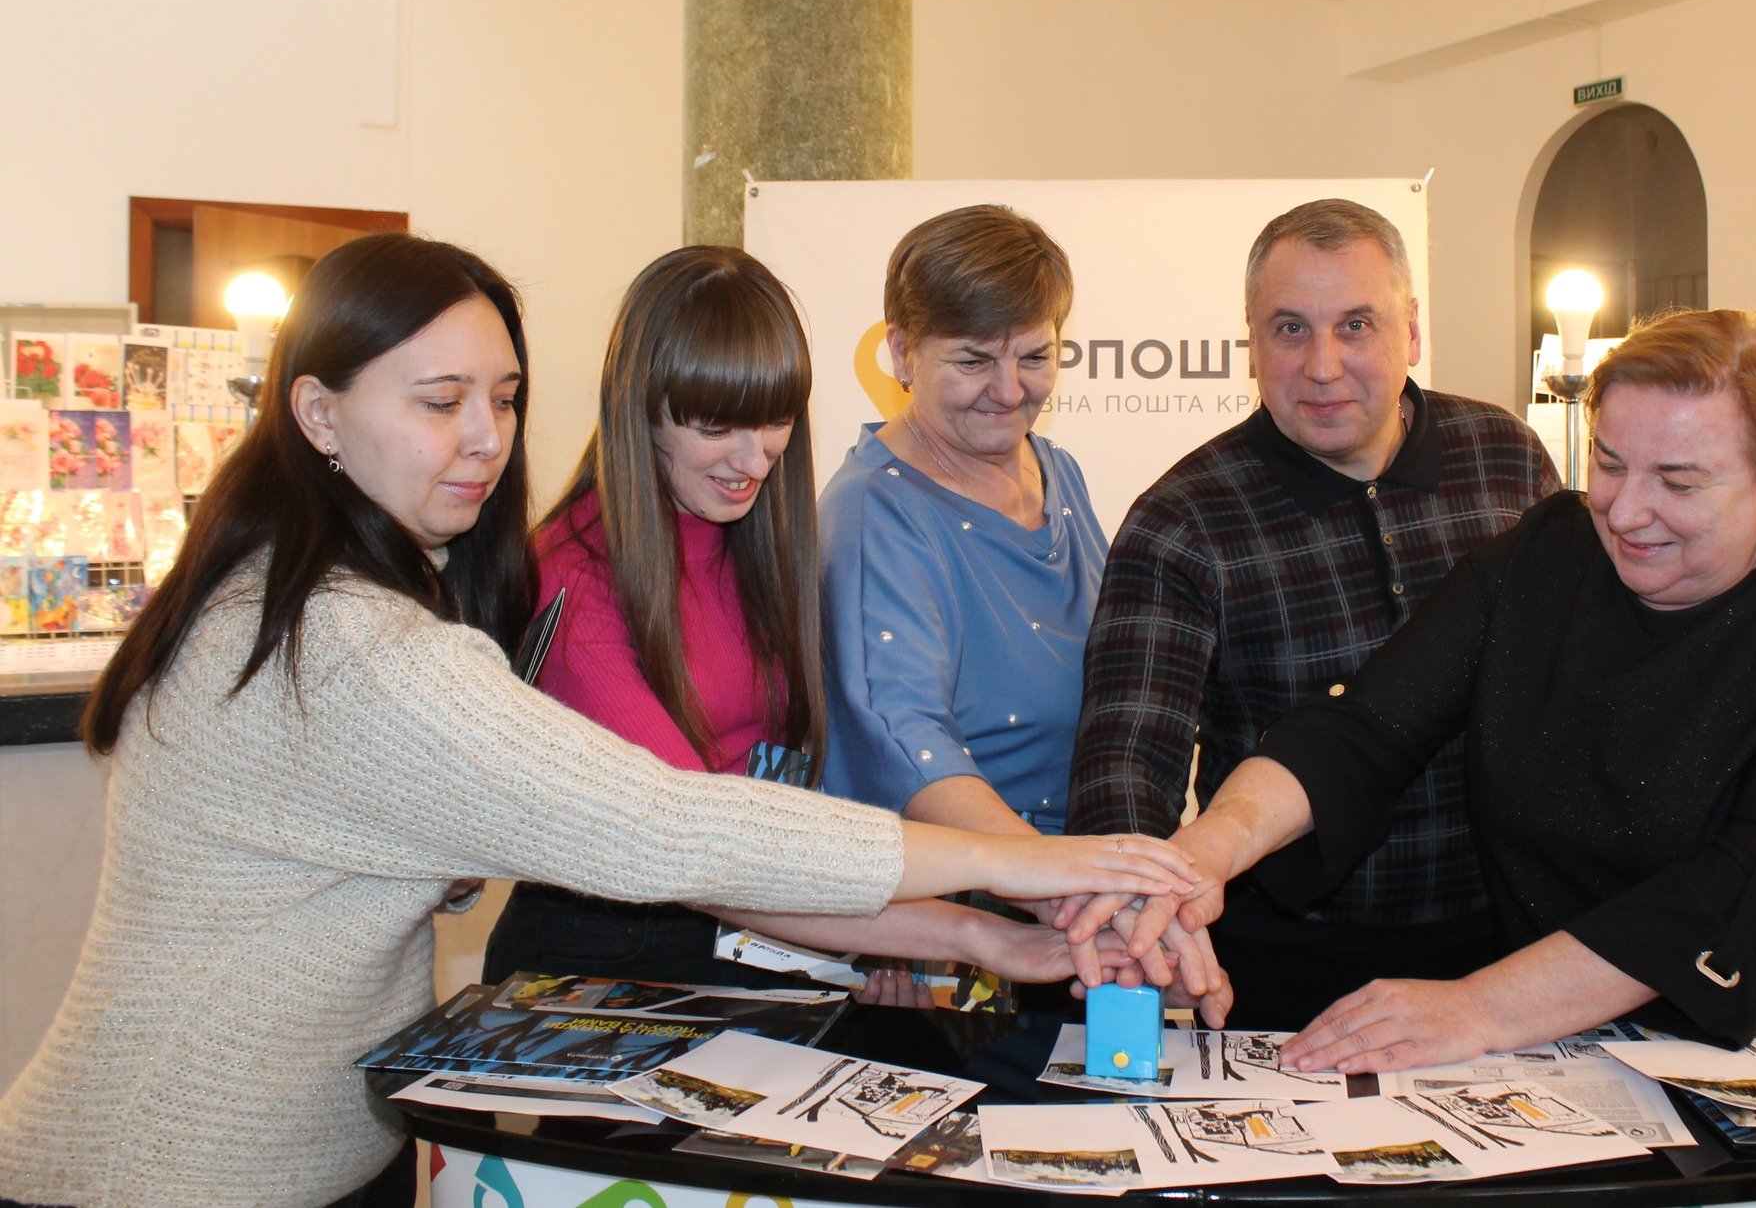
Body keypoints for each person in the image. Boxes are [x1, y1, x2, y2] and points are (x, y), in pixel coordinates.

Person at [0, 233, 1203, 1208]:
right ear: (317, 413)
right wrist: (1011, 885)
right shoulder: (357, 644)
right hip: (169, 1167)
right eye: (440, 401)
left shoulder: (337, 591)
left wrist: (958, 931)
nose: (486, 438)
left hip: (319, 1143)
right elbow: (673, 829)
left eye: (503, 397)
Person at [1078, 307, 1756, 1070]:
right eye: (1609, 464)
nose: (1626, 510)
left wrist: (1481, 1006)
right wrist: (1207, 852)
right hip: (1569, 1040)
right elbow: (1365, 728)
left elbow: (1754, 872)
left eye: (1678, 482)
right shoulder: (1550, 551)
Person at [483, 246, 1083, 991]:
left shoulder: (755, 534)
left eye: (774, 421)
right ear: (641, 409)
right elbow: (700, 844)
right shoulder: (575, 579)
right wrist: (973, 925)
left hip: (758, 934)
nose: (754, 459)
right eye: (715, 427)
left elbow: (786, 792)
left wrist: (888, 946)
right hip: (608, 966)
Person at [1065, 198, 1558, 1029]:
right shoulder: (1183, 517)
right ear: (1251, 342)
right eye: (1290, 328)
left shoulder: (1505, 457)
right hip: (1284, 969)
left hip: (1508, 951)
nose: (1323, 365)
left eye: (1356, 324)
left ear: (1412, 330)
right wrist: (1136, 918)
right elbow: (1127, 761)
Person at [818, 204, 1224, 1010]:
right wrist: (1073, 889)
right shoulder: (873, 511)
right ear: (901, 351)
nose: (1009, 391)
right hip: (966, 928)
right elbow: (905, 741)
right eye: (973, 360)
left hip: (1080, 896)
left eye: (1035, 356)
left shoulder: (1056, 468)